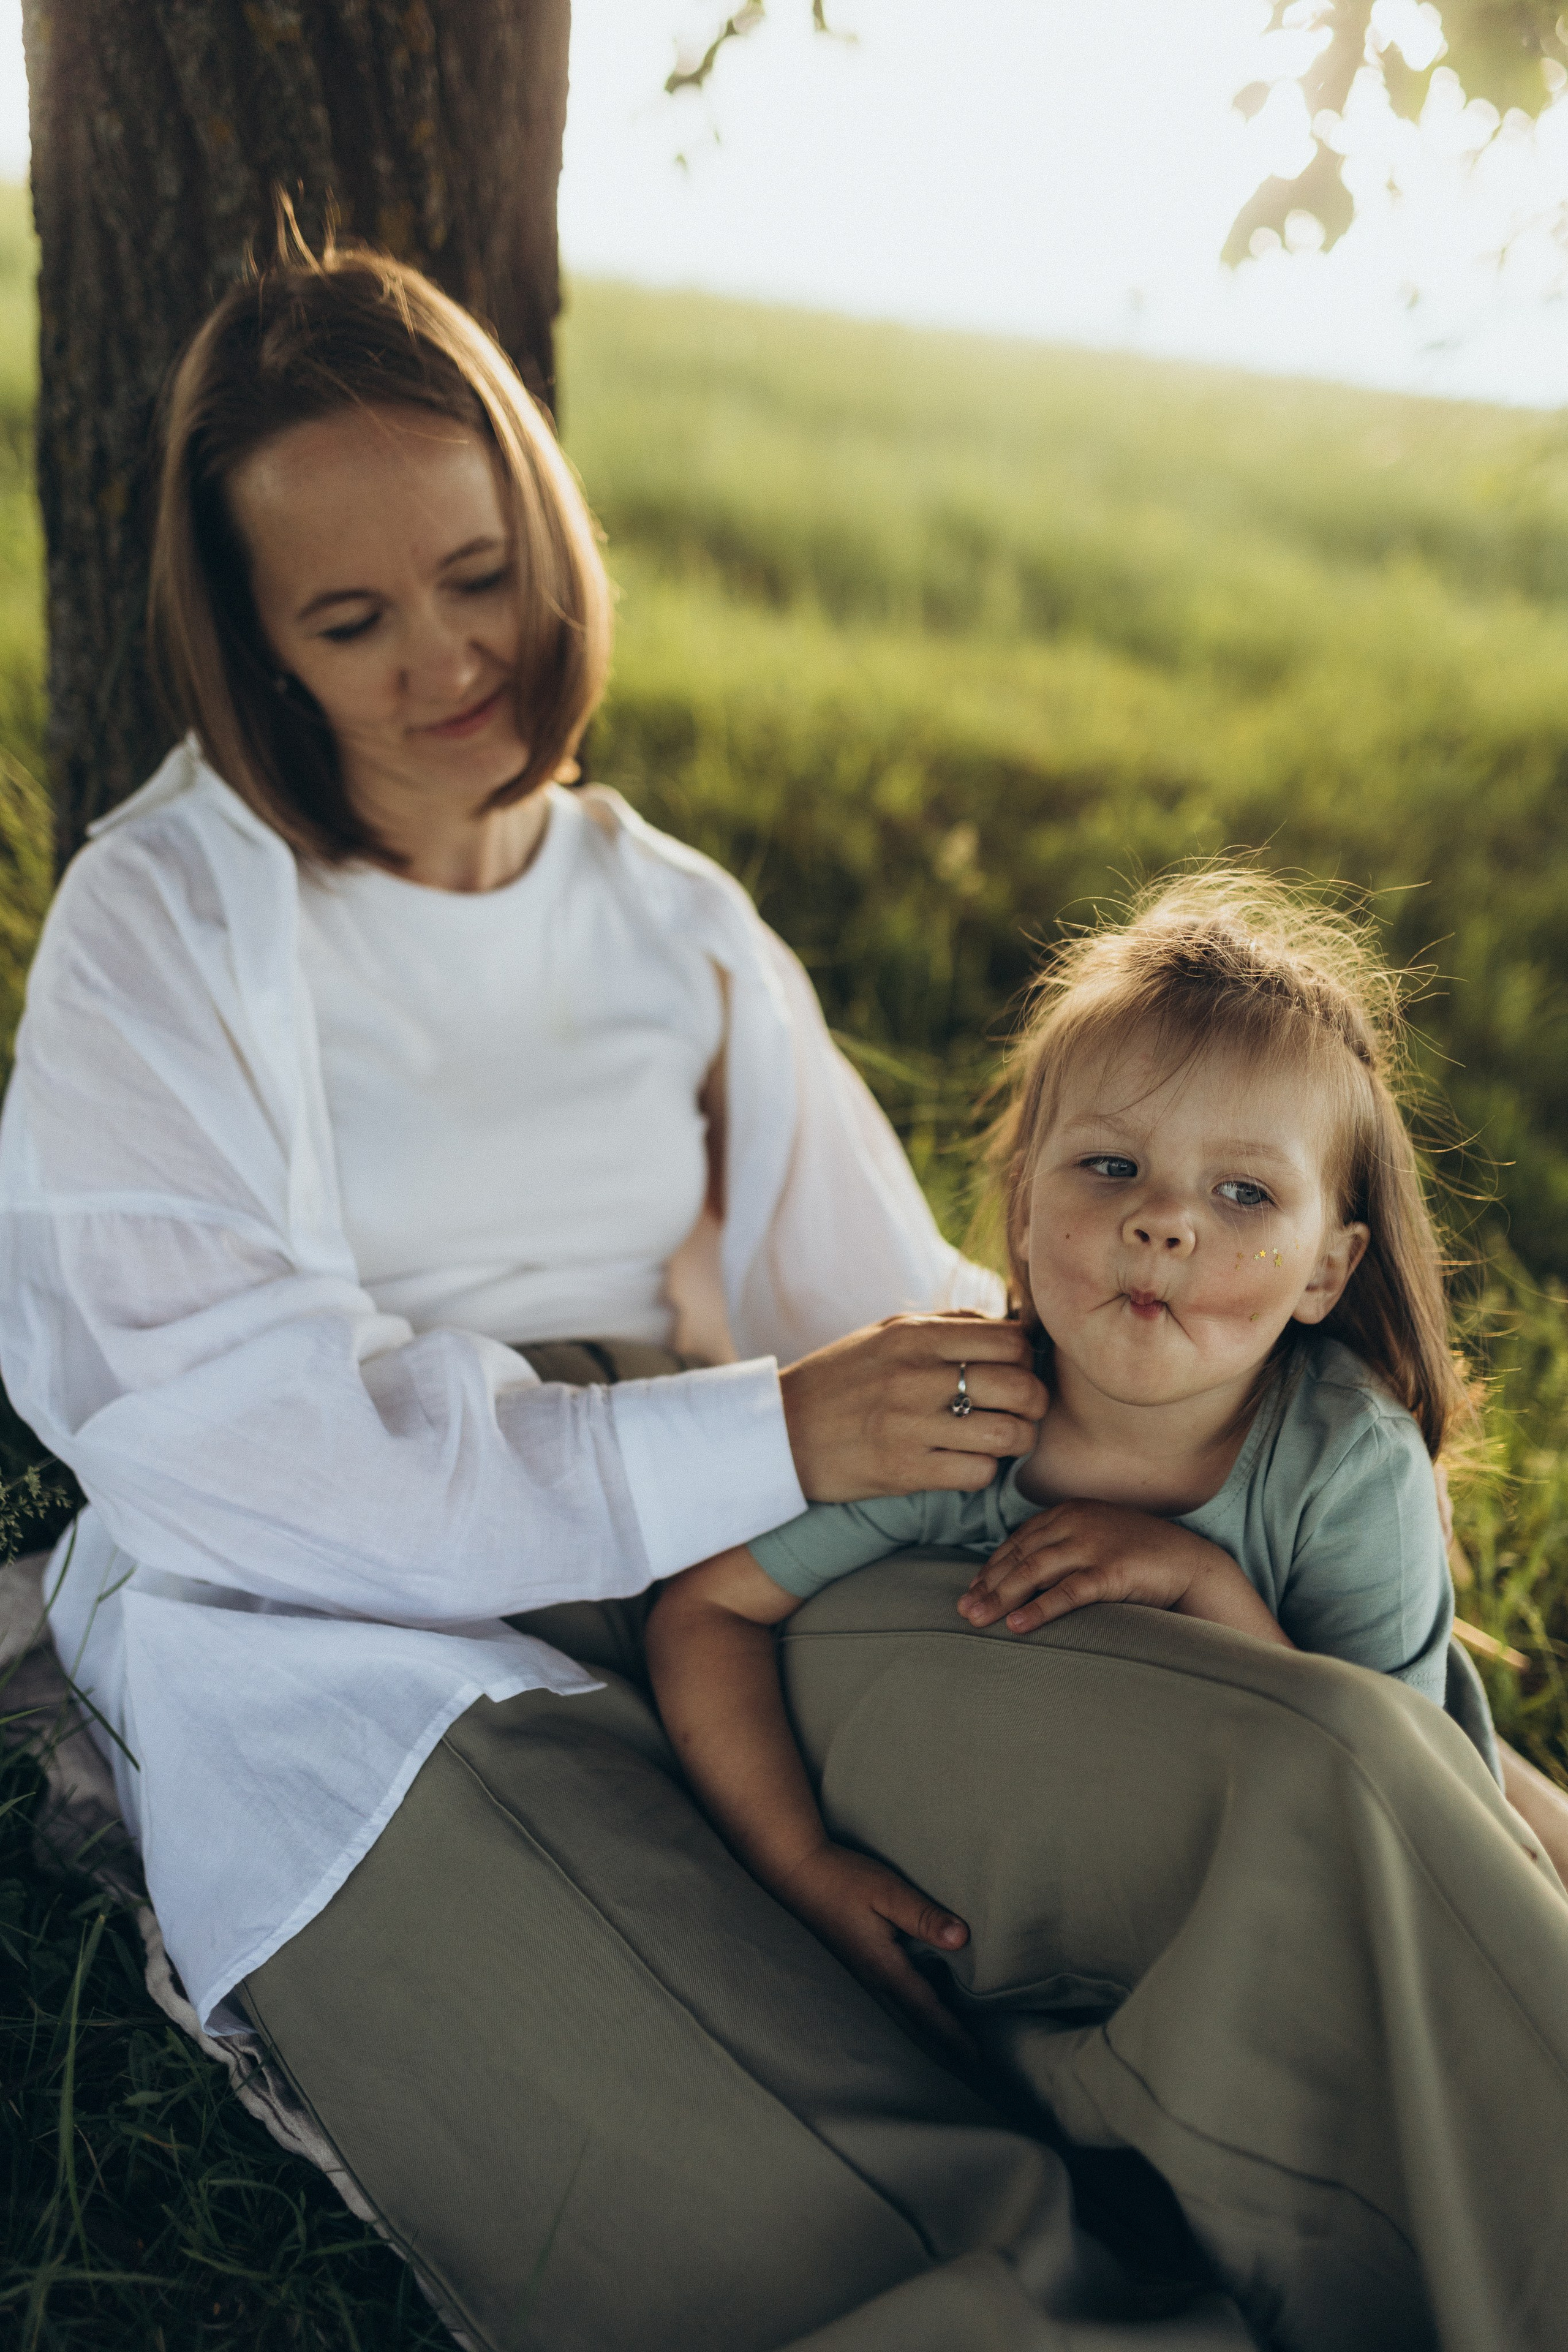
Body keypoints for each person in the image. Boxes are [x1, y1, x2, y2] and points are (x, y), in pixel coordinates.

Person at [1, 237, 1566, 2352]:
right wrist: (745, 1435)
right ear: (259, 646)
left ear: (550, 540)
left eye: (482, 576)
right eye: (349, 621)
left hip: (746, 1551)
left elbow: (904, 1306)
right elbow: (206, 1442)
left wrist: (1254, 1551)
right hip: (334, 1627)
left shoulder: (670, 918)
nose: (446, 660)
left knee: (1325, 1776)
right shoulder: (165, 918)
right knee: (778, 2162)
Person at [646, 871, 1504, 2037]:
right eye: (1110, 1167)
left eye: (1245, 1192)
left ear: (1325, 1272)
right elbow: (708, 1612)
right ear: (1021, 1209)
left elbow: (1399, 1803)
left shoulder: (1347, 1467)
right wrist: (799, 1861)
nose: (1165, 1221)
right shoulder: (966, 1416)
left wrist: (1202, 1583)